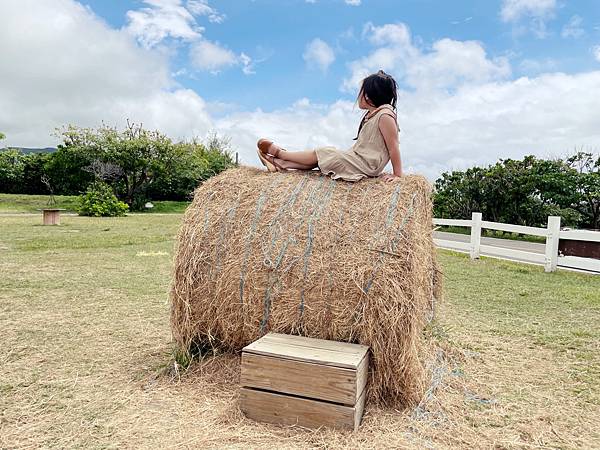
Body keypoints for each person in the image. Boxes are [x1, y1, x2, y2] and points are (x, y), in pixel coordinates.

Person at [256, 70, 402, 182]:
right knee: (324, 158)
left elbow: (393, 146)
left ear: (369, 95)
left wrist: (397, 174)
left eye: (361, 91)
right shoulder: (373, 115)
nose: (358, 95)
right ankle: (279, 163)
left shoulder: (385, 116)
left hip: (367, 165)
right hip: (358, 159)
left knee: (325, 153)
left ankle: (280, 154)